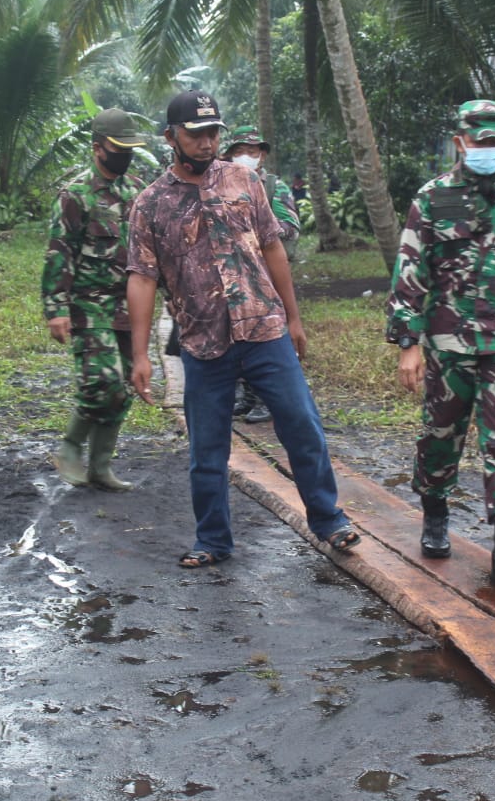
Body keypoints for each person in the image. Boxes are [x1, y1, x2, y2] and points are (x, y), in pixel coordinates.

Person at [127, 90, 360, 568]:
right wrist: (141, 354)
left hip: (264, 329)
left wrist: (293, 317)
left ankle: (329, 520)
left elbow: (273, 247)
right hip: (203, 341)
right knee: (207, 449)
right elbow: (142, 279)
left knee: (301, 424)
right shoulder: (150, 205)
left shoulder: (243, 181)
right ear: (171, 136)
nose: (207, 142)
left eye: (214, 133)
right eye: (195, 134)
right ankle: (212, 540)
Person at [386, 99, 495, 594]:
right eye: (480, 141)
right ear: (460, 142)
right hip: (449, 341)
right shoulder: (432, 199)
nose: (489, 149)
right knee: (442, 434)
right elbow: (410, 271)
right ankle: (435, 514)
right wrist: (408, 342)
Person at [42, 108, 148, 490]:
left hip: (129, 305)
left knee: (125, 388)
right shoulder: (76, 195)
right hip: (89, 304)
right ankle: (70, 446)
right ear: (97, 148)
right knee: (103, 381)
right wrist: (56, 310)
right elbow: (59, 252)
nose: (126, 155)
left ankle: (101, 466)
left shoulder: (137, 191)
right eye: (119, 148)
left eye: (130, 148)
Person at [221, 125, 303, 424]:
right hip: (234, 277)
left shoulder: (273, 187)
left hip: (267, 275)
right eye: (239, 151)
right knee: (237, 336)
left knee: (267, 338)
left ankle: (268, 400)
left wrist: (261, 231)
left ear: (262, 156)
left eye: (252, 152)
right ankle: (247, 396)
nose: (246, 157)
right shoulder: (221, 186)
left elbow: (291, 226)